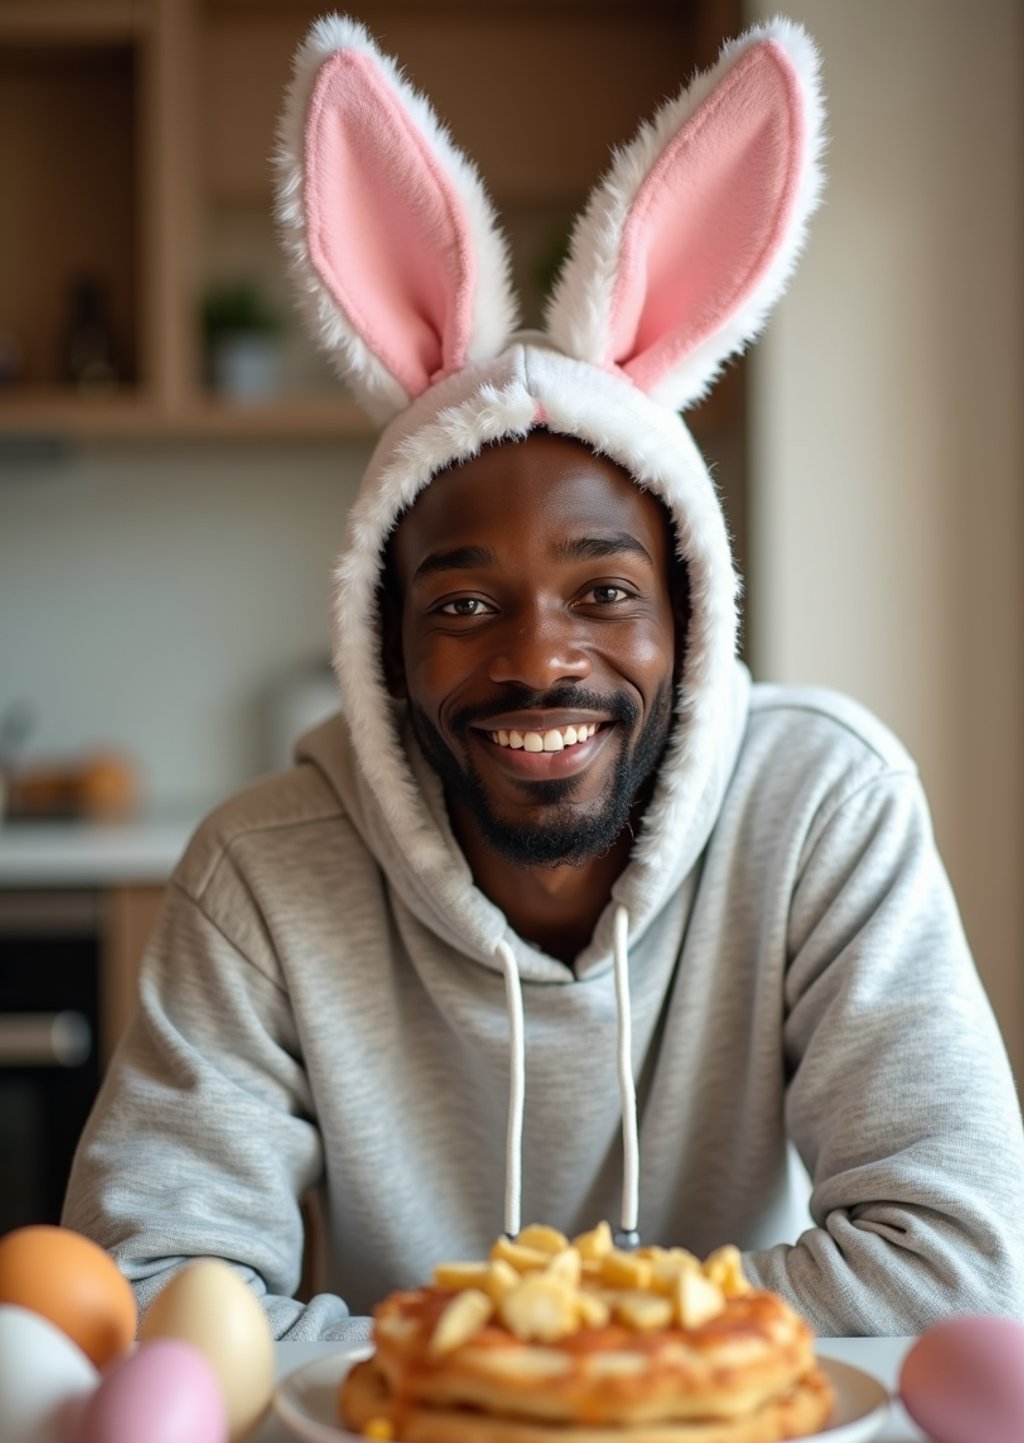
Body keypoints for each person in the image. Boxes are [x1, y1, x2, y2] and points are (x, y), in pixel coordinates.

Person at [64, 14, 1024, 1342]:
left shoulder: (821, 812)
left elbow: (958, 1266)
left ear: (691, 618)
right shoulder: (262, 877)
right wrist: (540, 1367)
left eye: (606, 594)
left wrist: (497, 1350)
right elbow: (151, 1294)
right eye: (462, 604)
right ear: (380, 641)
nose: (536, 660)